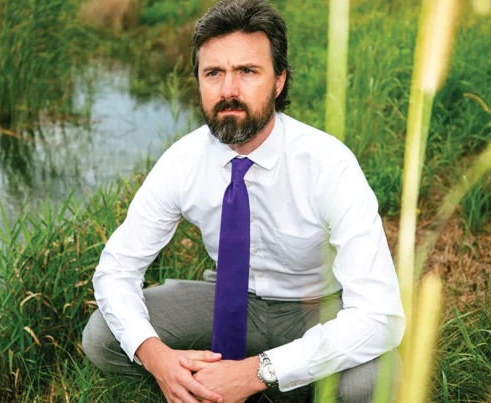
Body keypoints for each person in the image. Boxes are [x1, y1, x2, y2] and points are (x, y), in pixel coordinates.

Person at [82, 0, 405, 402]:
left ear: (279, 81)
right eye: (213, 73)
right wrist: (159, 359)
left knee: (375, 385)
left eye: (248, 72)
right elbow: (115, 271)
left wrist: (259, 372)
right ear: (198, 81)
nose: (228, 90)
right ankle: (212, 379)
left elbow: (380, 316)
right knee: (102, 337)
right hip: (225, 300)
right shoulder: (183, 161)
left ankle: (270, 378)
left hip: (316, 308)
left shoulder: (329, 165)